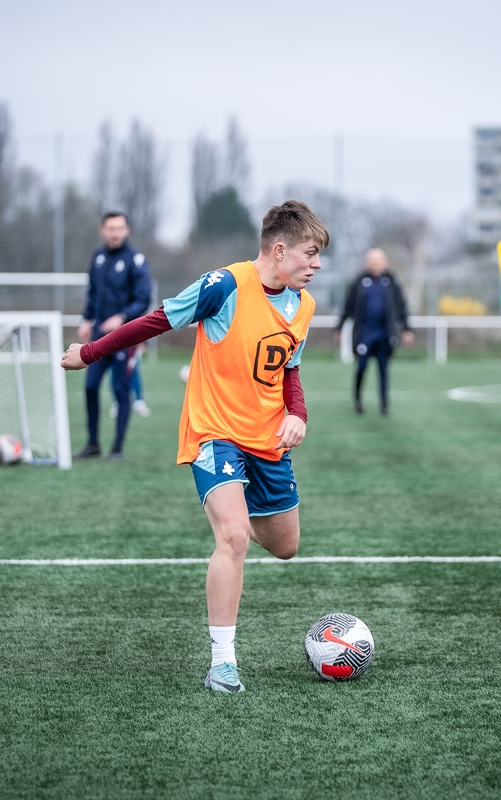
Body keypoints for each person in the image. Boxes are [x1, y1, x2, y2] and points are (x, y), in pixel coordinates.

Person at [62, 200, 326, 693]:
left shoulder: (303, 305)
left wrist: (298, 414)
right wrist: (90, 353)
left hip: (267, 438)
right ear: (279, 249)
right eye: (310, 254)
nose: (317, 265)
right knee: (234, 538)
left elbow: (289, 369)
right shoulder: (223, 285)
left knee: (286, 546)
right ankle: (223, 664)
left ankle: (235, 509)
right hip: (214, 431)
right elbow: (156, 321)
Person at [76, 212, 153, 459]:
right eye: (110, 228)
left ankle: (117, 447)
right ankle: (93, 444)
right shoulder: (98, 258)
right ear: (103, 231)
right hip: (99, 337)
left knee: (121, 390)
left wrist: (122, 317)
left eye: (119, 228)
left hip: (125, 338)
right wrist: (86, 319)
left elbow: (143, 299)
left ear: (127, 230)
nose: (115, 232)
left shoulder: (136, 260)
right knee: (90, 386)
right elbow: (93, 293)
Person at [333, 247, 414, 415]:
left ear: (384, 262)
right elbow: (348, 306)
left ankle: (384, 405)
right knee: (361, 368)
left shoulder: (391, 281)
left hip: (384, 335)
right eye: (371, 261)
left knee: (383, 370)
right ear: (367, 263)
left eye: (377, 261)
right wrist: (339, 328)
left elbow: (401, 306)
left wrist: (406, 328)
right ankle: (357, 400)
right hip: (364, 335)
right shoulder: (359, 282)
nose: (374, 264)